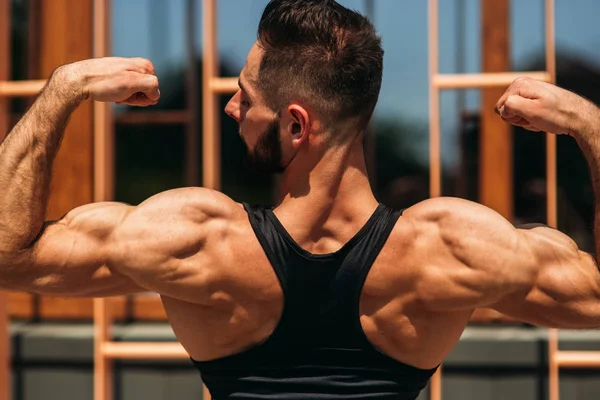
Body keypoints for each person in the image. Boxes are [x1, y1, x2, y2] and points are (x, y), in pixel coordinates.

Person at [1, 0, 600, 399]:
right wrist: (587, 125)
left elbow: (8, 253)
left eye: (244, 95)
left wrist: (64, 89)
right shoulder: (449, 249)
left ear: (295, 125)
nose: (232, 108)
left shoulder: (198, 241)